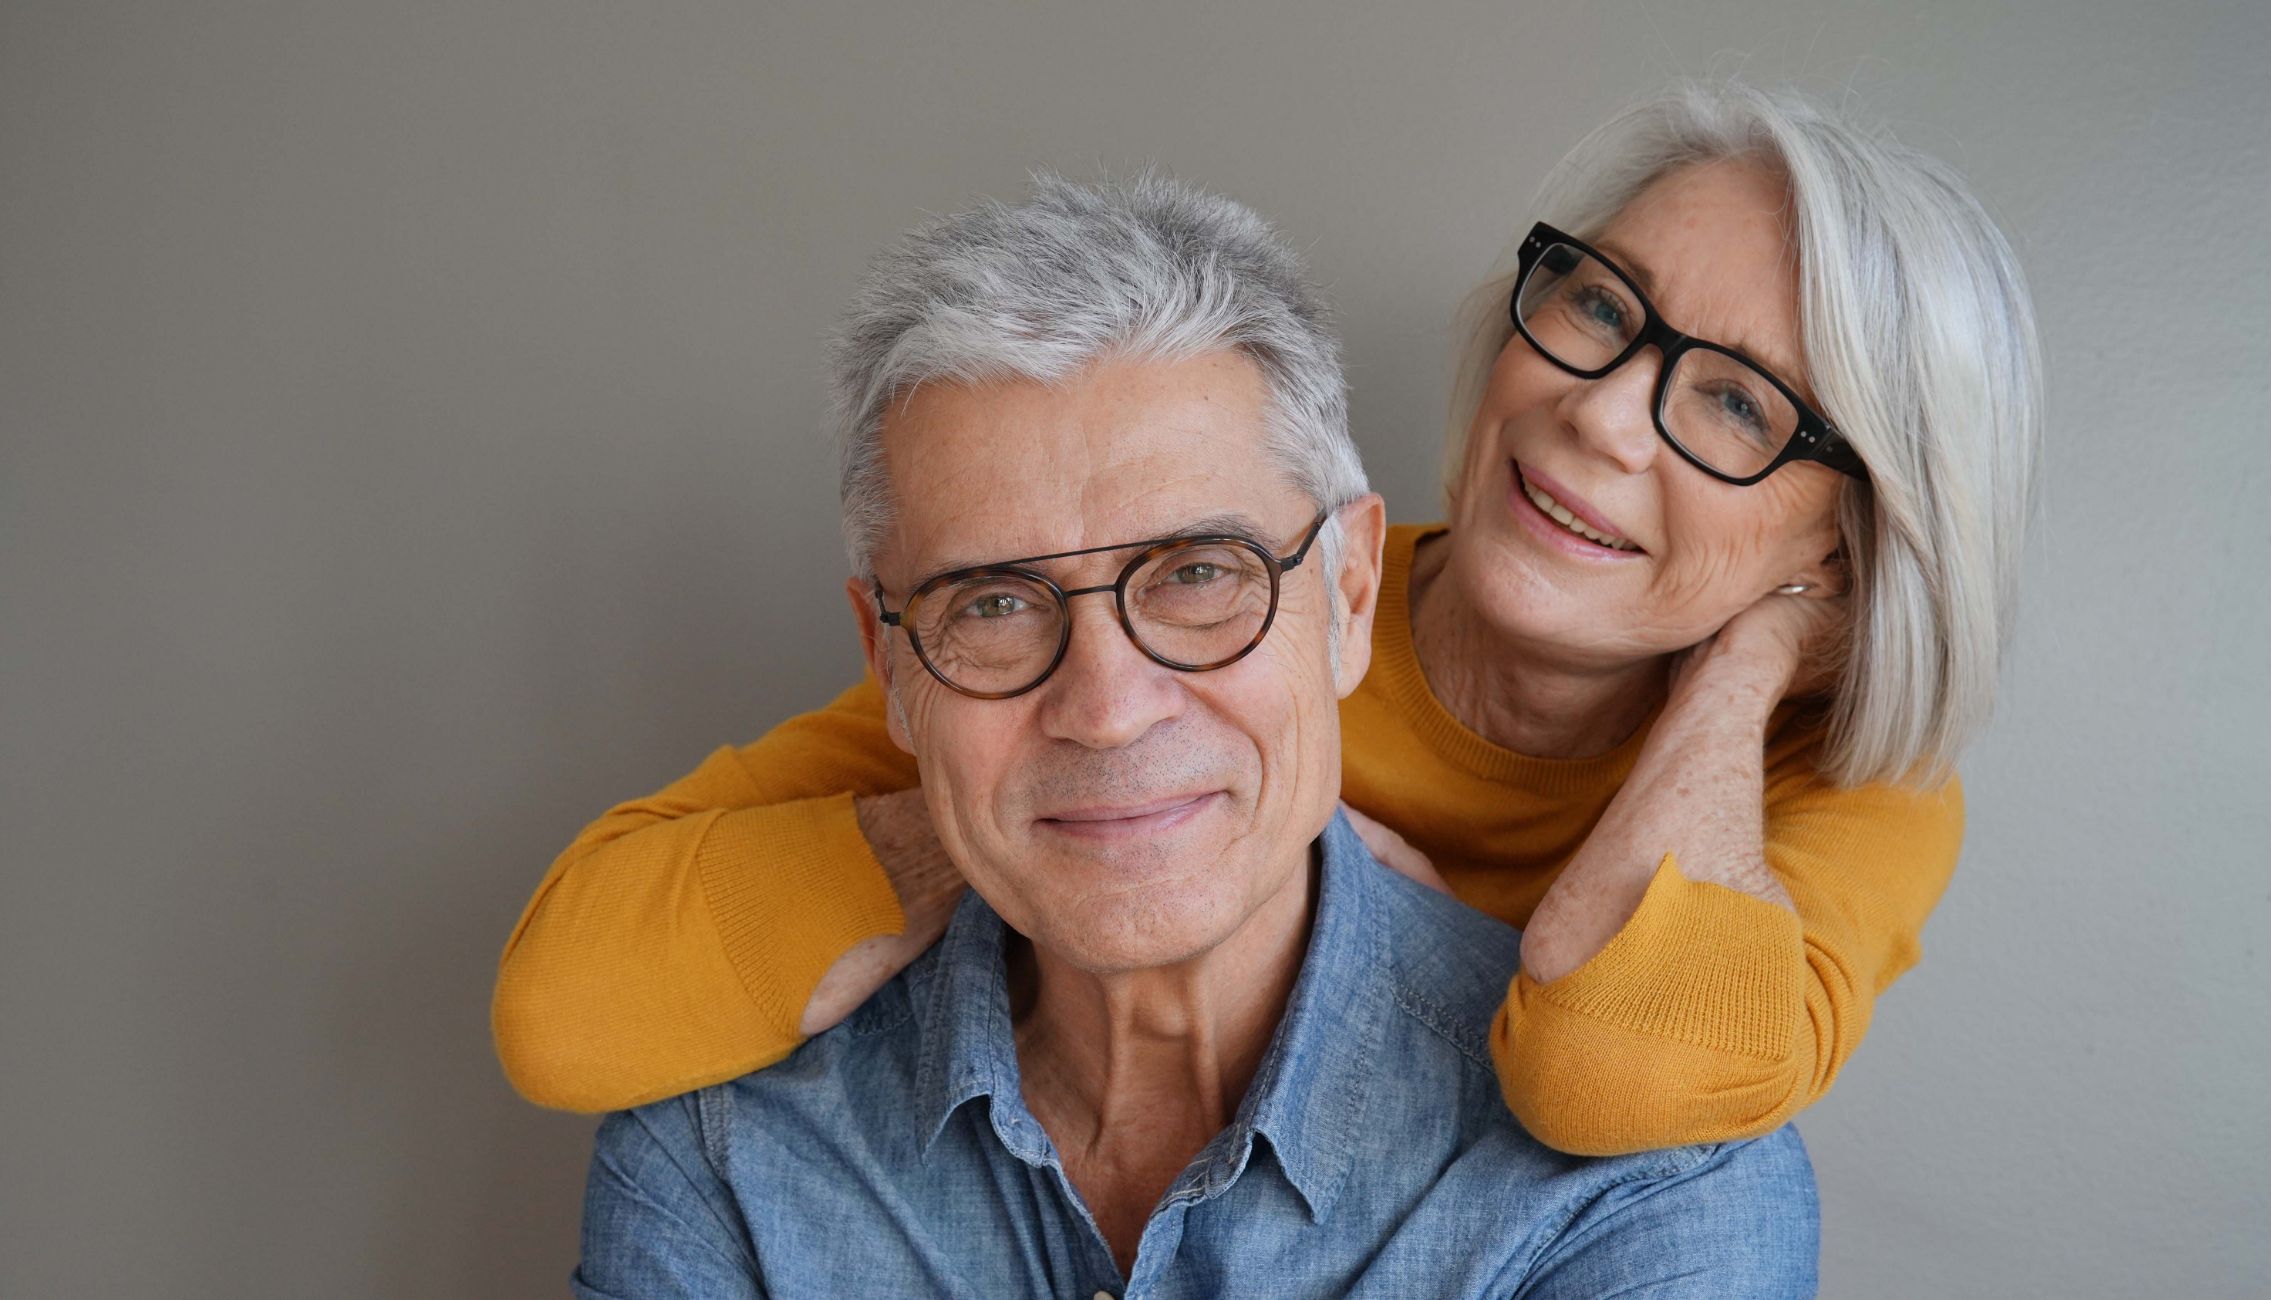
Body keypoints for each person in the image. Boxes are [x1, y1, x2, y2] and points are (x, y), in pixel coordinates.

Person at [499, 80, 2042, 1155]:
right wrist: (1062, 809)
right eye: (1598, 306)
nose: (1601, 416)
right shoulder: (1221, 599)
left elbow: (1623, 1074)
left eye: (1733, 403)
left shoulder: (1842, 792)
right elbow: (568, 1007)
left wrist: (1754, 656)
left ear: (1847, 535)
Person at [573, 172, 1820, 1299]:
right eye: (994, 604)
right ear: (889, 665)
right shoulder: (721, 1151)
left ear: (1347, 597)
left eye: (1198, 573)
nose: (1109, 709)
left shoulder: (1646, 1189)